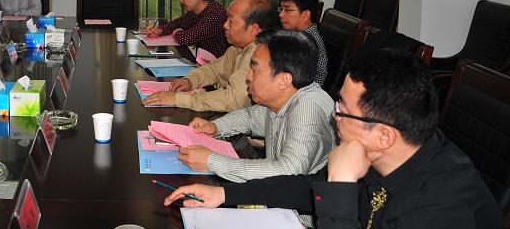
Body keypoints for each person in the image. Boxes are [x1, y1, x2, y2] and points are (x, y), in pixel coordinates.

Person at [164, 50, 504, 229]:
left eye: (343, 111)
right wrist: (224, 194)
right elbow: (306, 188)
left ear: (385, 135)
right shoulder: (385, 152)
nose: (333, 117)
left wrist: (341, 184)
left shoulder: (439, 210)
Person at [177, 30, 335, 184]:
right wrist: (215, 127)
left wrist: (212, 162)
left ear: (284, 80)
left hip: (301, 198)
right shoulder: (285, 97)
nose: (248, 77)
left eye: (255, 69)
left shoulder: (308, 108)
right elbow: (250, 117)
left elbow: (288, 171)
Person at [144, 0, 277, 111]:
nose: (225, 25)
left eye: (231, 21)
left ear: (254, 29)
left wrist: (179, 99)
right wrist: (190, 81)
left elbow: (234, 99)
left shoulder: (259, 54)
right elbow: (214, 70)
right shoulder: (237, 48)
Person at [145, 0, 229, 58]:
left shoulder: (214, 14)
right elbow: (176, 24)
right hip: (204, 61)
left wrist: (176, 32)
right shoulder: (196, 12)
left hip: (218, 64)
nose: (181, 0)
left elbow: (185, 38)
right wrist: (159, 30)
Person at [279, 0, 328, 86]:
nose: (281, 14)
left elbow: (294, 81)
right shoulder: (300, 35)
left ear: (305, 15)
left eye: (287, 9)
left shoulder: (306, 43)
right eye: (281, 9)